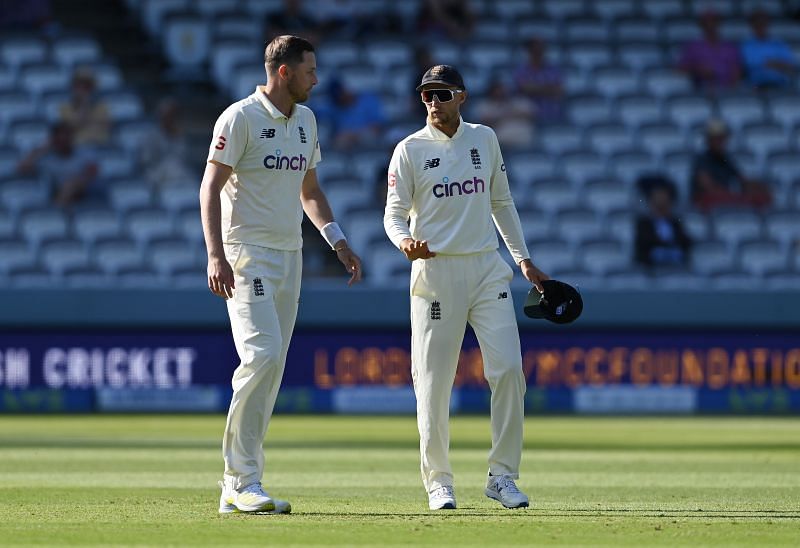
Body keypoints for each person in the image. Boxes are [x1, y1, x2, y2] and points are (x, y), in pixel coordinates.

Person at [199, 35, 363, 515]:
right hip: (245, 253)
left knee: (271, 371)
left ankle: (242, 480)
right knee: (261, 355)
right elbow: (209, 187)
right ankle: (239, 479)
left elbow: (309, 189)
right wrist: (215, 255)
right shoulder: (240, 117)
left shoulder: (308, 120)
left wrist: (337, 240)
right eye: (310, 70)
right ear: (284, 72)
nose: (317, 78)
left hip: (290, 255)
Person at [383, 65, 548, 511]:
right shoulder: (410, 150)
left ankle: (503, 476)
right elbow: (393, 214)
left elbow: (501, 202)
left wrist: (523, 260)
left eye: (441, 93)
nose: (433, 102)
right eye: (426, 95)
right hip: (435, 275)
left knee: (510, 370)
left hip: (486, 269)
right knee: (434, 384)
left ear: (462, 96)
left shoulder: (484, 139)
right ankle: (438, 482)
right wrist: (404, 242)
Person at [690, 119, 772, 211]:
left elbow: (742, 180)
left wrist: (758, 187)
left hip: (724, 198)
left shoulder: (726, 159)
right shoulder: (702, 160)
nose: (720, 142)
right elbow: (707, 187)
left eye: (722, 138)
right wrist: (732, 194)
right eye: (716, 138)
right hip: (708, 202)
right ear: (708, 140)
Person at [17, 121, 99, 207]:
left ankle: (58, 210)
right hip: (57, 191)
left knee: (70, 186)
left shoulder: (84, 153)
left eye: (67, 136)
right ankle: (58, 211)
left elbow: (93, 173)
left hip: (85, 191)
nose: (64, 140)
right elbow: (22, 168)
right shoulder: (47, 159)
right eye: (60, 137)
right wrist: (43, 148)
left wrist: (76, 183)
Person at [634, 175, 692, 269]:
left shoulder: (675, 222)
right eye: (657, 196)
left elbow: (685, 242)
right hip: (651, 266)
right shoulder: (644, 223)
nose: (661, 199)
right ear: (651, 201)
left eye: (664, 196)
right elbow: (643, 245)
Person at [678, 10, 742, 92]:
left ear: (718, 24)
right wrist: (697, 70)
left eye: (713, 22)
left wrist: (731, 89)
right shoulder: (693, 47)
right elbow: (681, 69)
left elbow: (737, 71)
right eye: (706, 23)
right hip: (700, 91)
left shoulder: (729, 47)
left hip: (726, 90)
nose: (710, 26)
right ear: (701, 25)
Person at [316, 77, 386, 151]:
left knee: (368, 137)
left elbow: (377, 127)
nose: (341, 99)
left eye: (341, 94)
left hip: (366, 139)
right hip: (343, 144)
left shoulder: (368, 99)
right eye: (337, 98)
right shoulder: (333, 107)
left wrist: (353, 136)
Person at [139, 98, 194, 186]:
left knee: (191, 180)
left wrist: (175, 136)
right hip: (155, 172)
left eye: (173, 115)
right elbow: (145, 160)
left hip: (178, 172)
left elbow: (183, 158)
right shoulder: (151, 135)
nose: (171, 119)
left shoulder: (180, 136)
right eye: (168, 115)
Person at [741, 10, 797, 90]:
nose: (761, 26)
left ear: (768, 24)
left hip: (780, 86)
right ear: (752, 25)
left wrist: (772, 63)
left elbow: (790, 66)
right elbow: (749, 65)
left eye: (763, 23)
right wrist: (776, 63)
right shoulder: (746, 45)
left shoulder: (779, 43)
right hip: (755, 87)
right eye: (757, 23)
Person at [472, 79, 536, 149]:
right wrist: (502, 115)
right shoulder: (484, 105)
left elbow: (533, 115)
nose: (502, 92)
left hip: (523, 141)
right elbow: (483, 123)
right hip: (499, 143)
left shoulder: (520, 102)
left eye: (504, 90)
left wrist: (512, 112)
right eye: (499, 90)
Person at [513, 38, 564, 123]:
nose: (538, 53)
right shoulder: (522, 70)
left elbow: (559, 90)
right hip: (528, 118)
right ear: (529, 51)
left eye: (541, 49)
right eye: (535, 50)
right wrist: (548, 88)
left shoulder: (552, 69)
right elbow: (524, 88)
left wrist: (535, 88)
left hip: (552, 114)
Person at [59, 67, 110, 147]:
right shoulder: (65, 107)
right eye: (79, 86)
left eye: (87, 86)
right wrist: (84, 104)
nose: (83, 90)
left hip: (100, 146)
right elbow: (72, 127)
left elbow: (106, 126)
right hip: (78, 147)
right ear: (73, 87)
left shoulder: (101, 107)